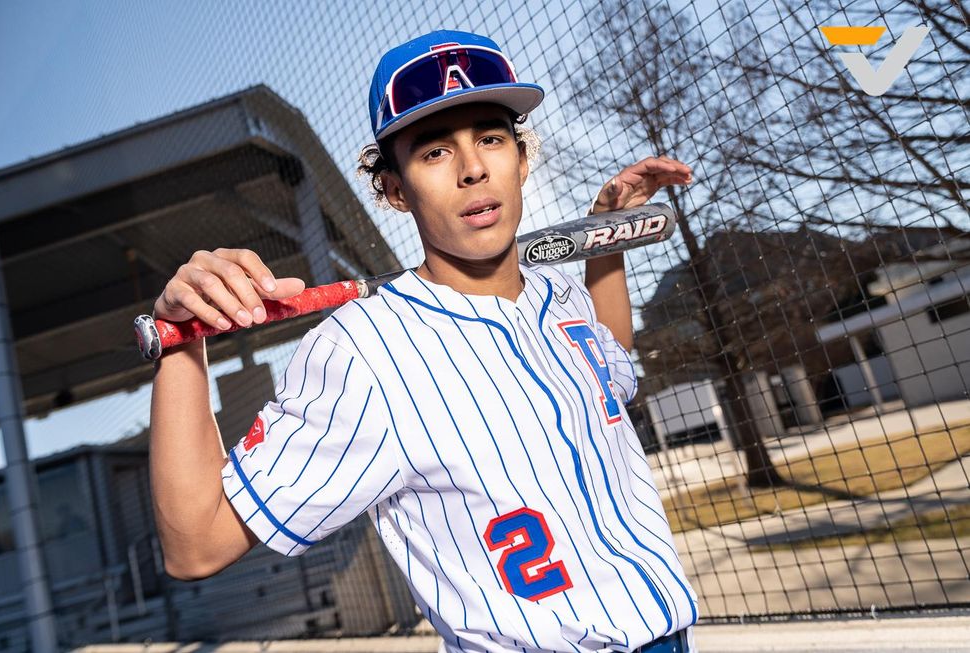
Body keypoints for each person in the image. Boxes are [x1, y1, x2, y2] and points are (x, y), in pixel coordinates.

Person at [149, 30, 698, 653]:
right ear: (395, 190)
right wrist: (180, 342)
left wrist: (606, 239)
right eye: (435, 151)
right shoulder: (363, 353)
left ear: (521, 160)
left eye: (490, 138)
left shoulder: (561, 296)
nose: (472, 169)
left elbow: (605, 374)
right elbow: (196, 545)